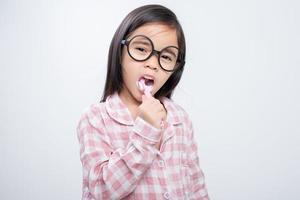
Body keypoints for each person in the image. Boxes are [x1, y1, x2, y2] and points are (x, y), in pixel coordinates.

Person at [77, 4, 209, 200]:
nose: (152, 64)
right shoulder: (96, 119)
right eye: (141, 48)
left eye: (166, 56)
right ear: (120, 52)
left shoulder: (180, 119)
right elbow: (101, 191)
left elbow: (196, 186)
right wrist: (146, 131)